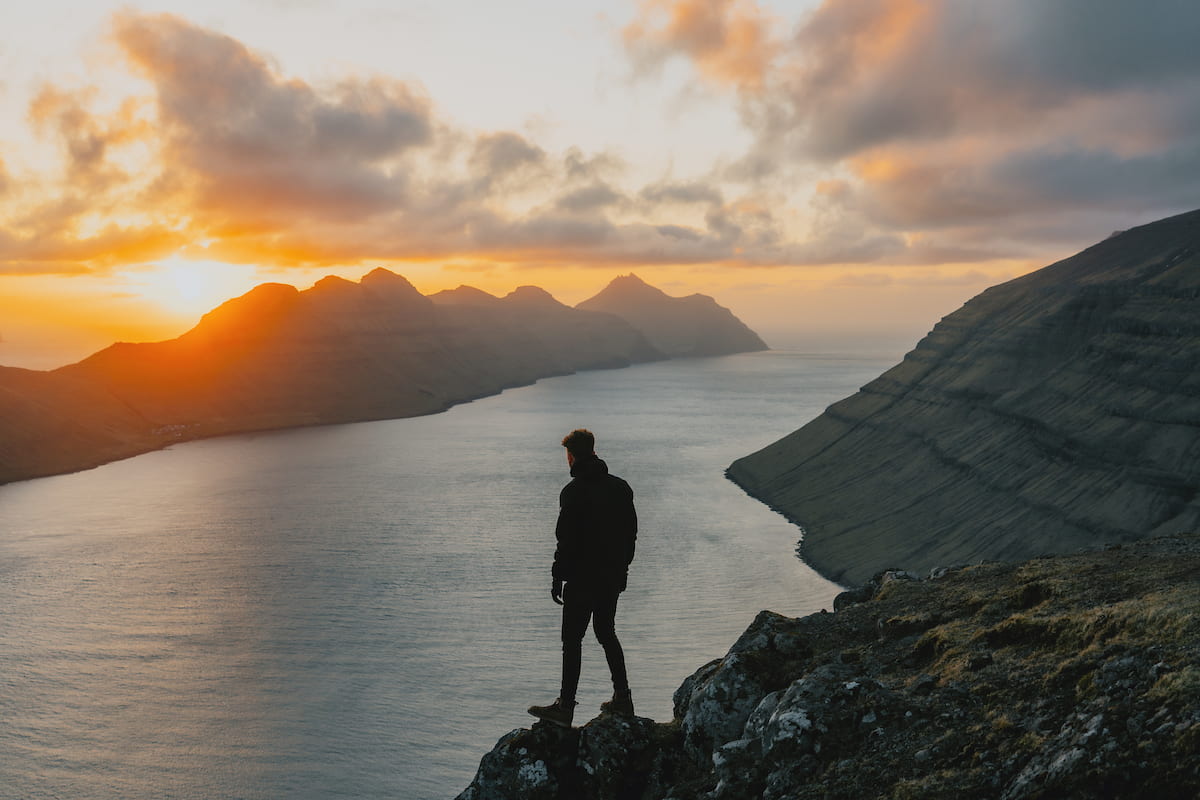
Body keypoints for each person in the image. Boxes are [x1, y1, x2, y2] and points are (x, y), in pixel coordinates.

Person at [528, 428, 637, 727]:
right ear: (593, 450)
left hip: (581, 580)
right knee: (606, 632)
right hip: (610, 578)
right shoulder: (621, 488)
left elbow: (566, 541)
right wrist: (622, 571)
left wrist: (557, 577)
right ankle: (623, 698)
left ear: (571, 455)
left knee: (572, 640)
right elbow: (630, 536)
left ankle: (565, 707)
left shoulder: (573, 492)